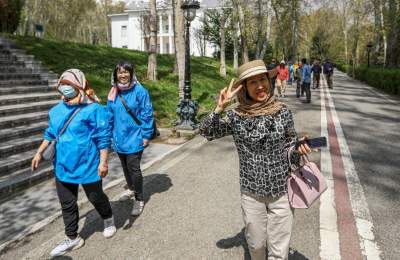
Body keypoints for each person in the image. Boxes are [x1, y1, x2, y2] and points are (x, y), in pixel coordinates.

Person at [199, 60, 313, 260]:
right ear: (244, 88)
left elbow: (290, 150)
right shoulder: (236, 116)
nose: (260, 86)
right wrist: (219, 108)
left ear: (269, 81)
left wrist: (299, 147)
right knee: (257, 245)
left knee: (279, 251)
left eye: (263, 79)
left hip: (281, 191)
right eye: (253, 82)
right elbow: (206, 131)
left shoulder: (282, 112)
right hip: (251, 193)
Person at [31, 69, 116, 257]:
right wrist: (38, 153)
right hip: (62, 165)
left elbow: (103, 138)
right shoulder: (56, 111)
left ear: (79, 86)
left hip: (88, 165)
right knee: (67, 204)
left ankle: (108, 217)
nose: (65, 88)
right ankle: (72, 237)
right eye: (63, 85)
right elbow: (50, 134)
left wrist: (103, 163)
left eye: (69, 85)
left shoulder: (94, 109)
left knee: (95, 197)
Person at [107, 61, 154, 216]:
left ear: (131, 73)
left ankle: (139, 199)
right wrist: (109, 136)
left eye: (126, 72)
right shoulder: (113, 92)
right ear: (116, 75)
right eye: (120, 72)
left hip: (135, 137)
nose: (123, 75)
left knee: (134, 168)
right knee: (125, 167)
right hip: (119, 138)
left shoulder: (140, 91)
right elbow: (109, 115)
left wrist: (146, 135)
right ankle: (132, 188)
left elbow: (147, 114)